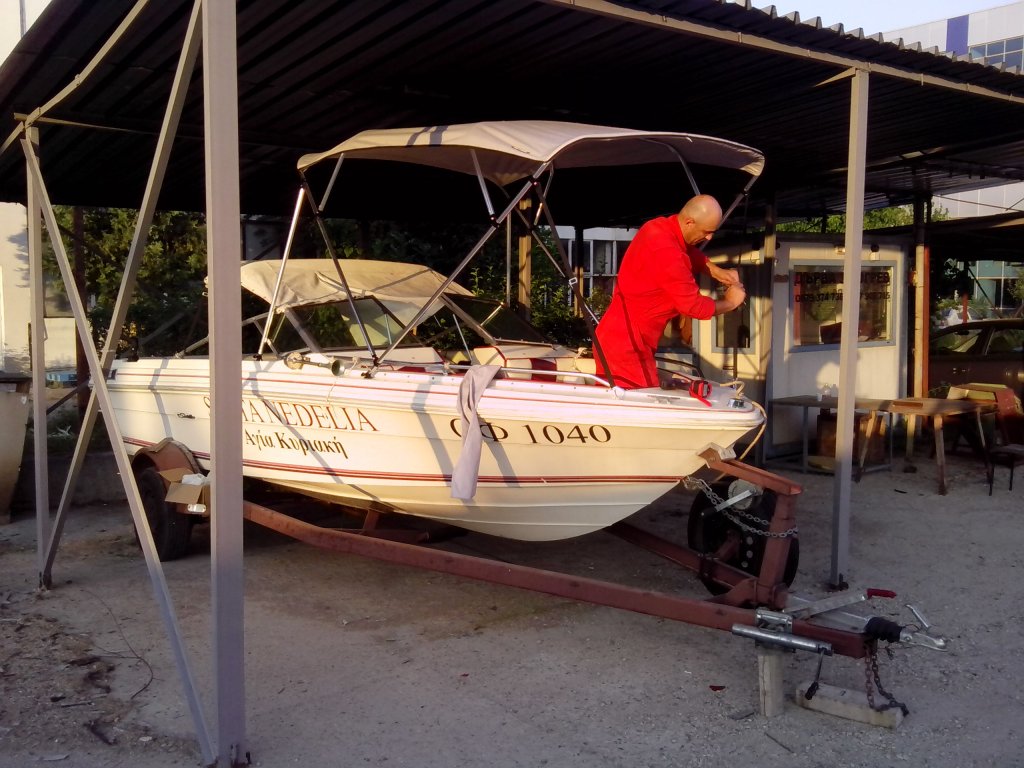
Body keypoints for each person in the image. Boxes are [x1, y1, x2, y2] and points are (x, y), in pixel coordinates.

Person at [593, 194, 745, 389]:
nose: (709, 237)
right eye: (707, 232)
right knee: (643, 404)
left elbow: (686, 250)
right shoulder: (667, 252)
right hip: (628, 346)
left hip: (619, 339)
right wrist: (731, 302)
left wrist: (716, 271)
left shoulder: (657, 227)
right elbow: (693, 306)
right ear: (689, 222)